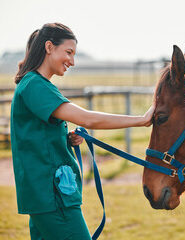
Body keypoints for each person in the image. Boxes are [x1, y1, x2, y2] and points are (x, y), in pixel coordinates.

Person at [10, 22, 155, 240]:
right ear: (49, 47)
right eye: (68, 52)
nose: (73, 61)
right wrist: (141, 120)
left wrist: (65, 138)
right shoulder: (35, 85)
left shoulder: (35, 84)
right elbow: (87, 118)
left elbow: (36, 135)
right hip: (52, 196)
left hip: (44, 196)